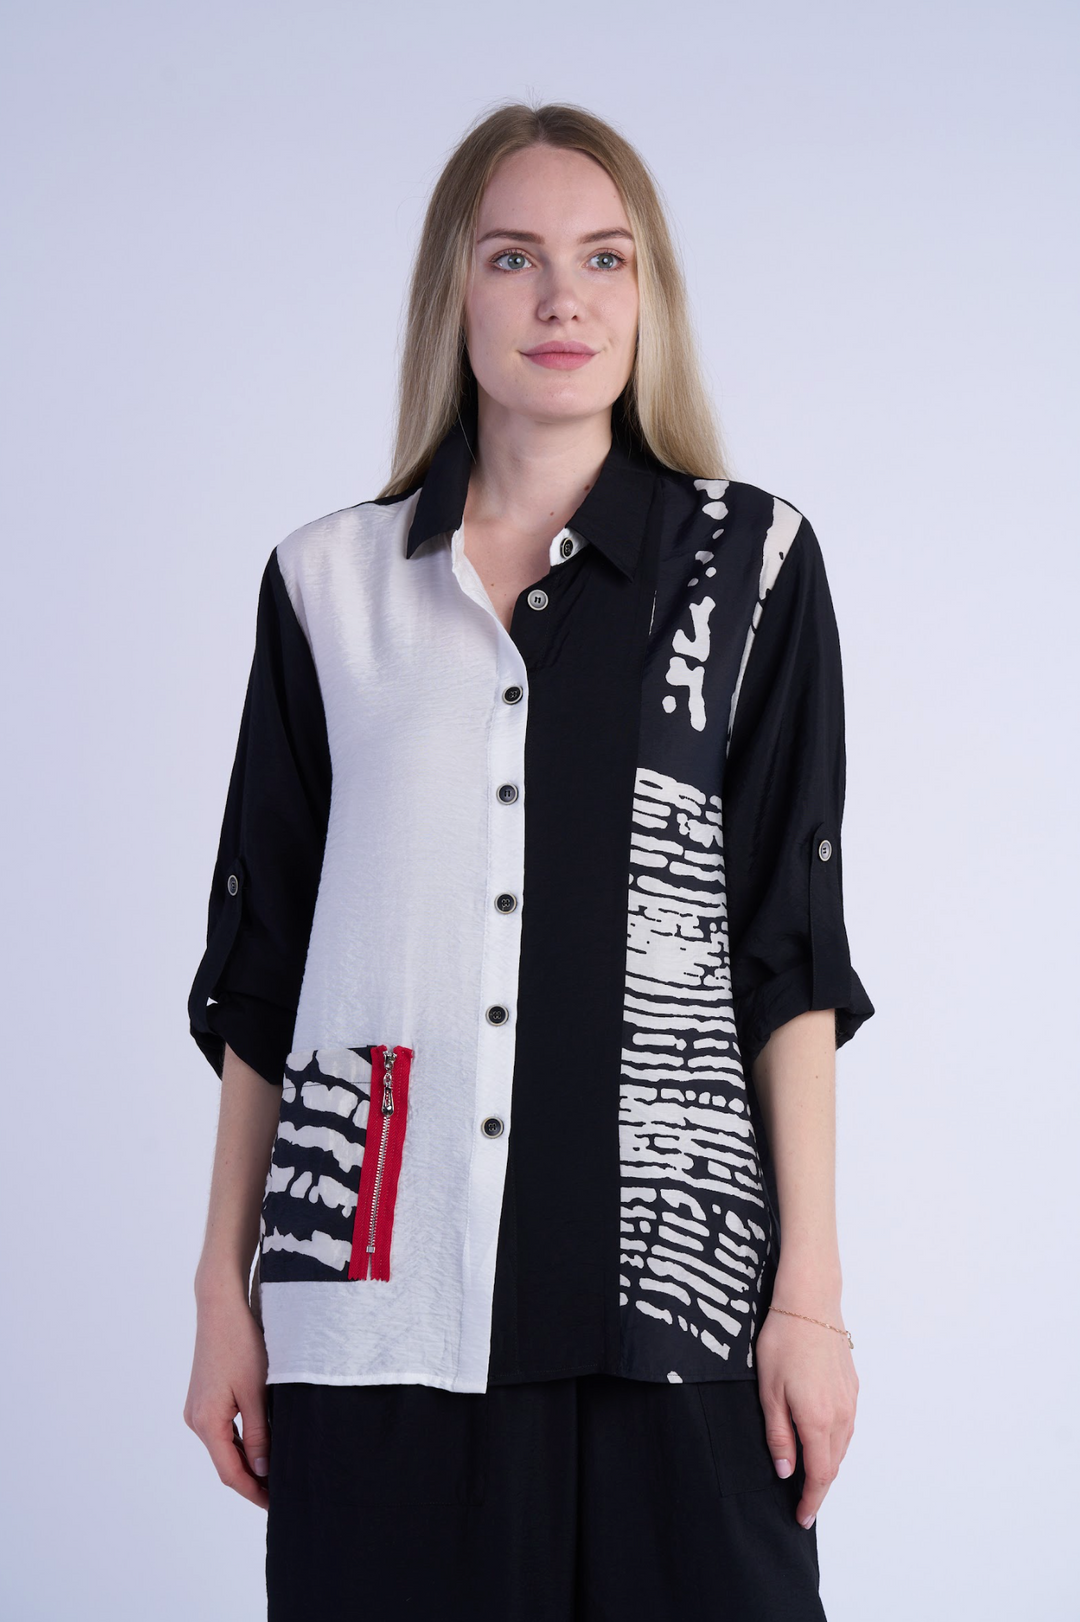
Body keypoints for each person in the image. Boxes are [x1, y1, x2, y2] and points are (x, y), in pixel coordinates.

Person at [183, 99, 875, 1621]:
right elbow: (261, 968)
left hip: (676, 1309)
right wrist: (221, 1294)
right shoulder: (326, 588)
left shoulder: (749, 570)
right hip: (377, 1315)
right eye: (515, 258)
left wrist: (810, 1302)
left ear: (648, 295)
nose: (564, 298)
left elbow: (791, 956)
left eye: (604, 258)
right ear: (455, 291)